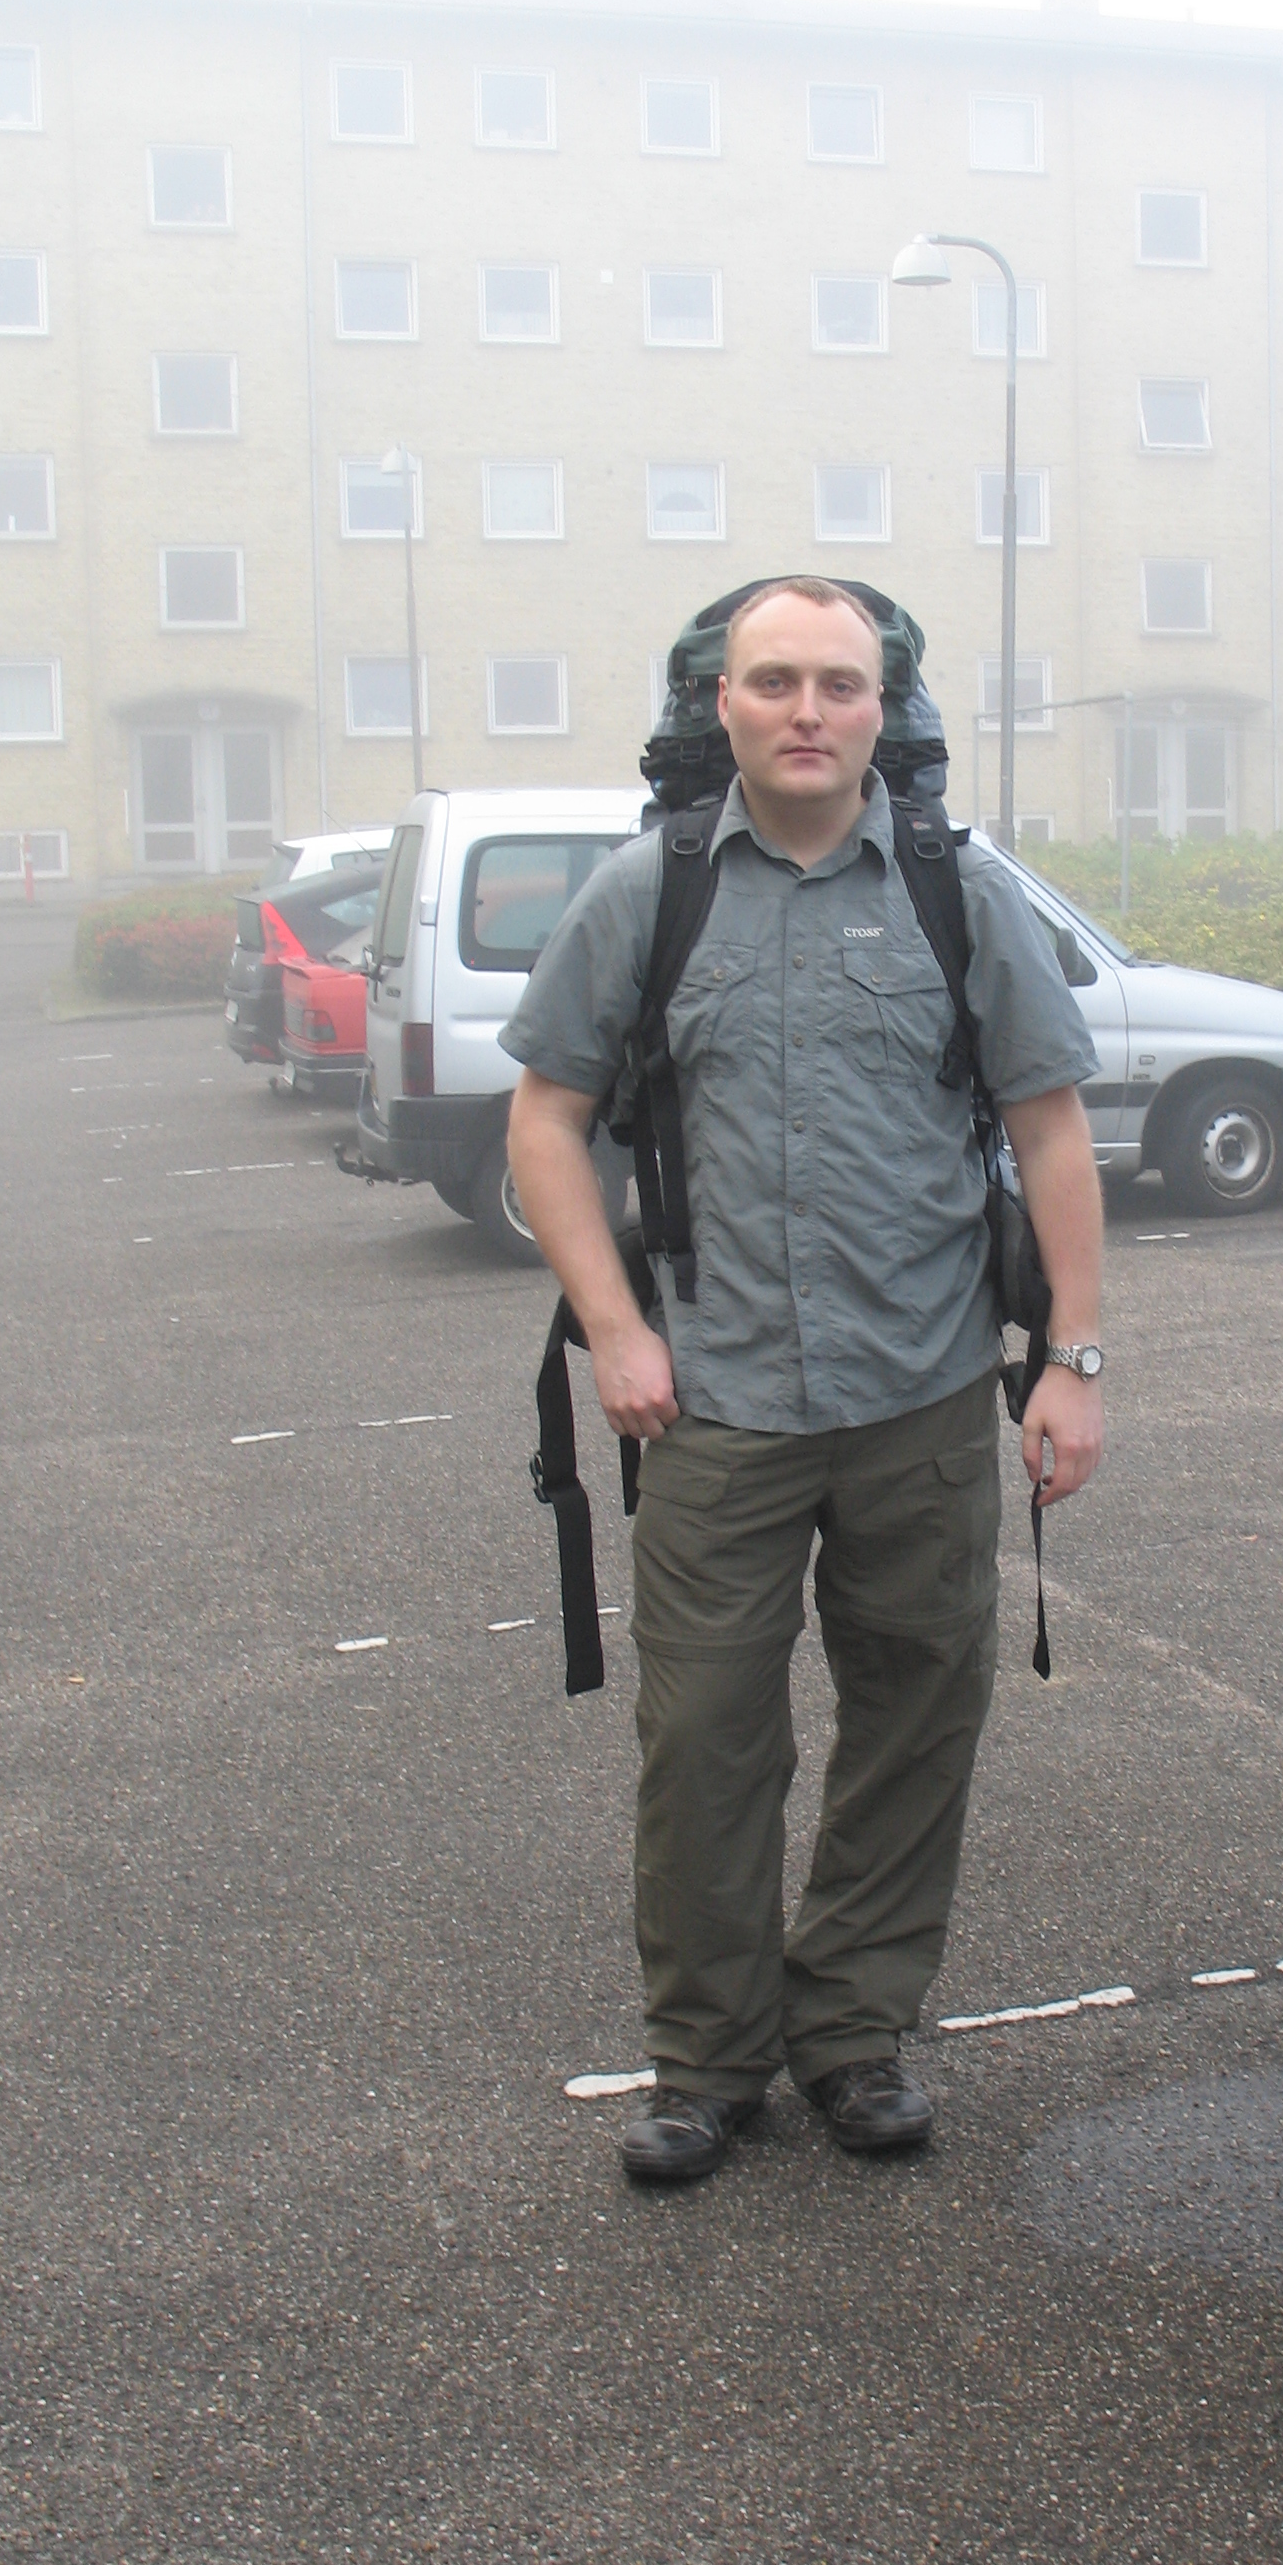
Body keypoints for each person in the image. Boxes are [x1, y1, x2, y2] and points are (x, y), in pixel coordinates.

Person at [503, 576, 1106, 2182]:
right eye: (775, 681)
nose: (807, 711)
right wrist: (617, 1327)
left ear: (880, 707)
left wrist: (1072, 1360)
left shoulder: (957, 893)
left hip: (925, 1396)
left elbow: (1050, 1129)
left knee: (917, 1719)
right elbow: (545, 1123)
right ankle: (707, 2062)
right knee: (706, 1742)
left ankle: (853, 2033)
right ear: (725, 704)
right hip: (715, 1407)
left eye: (838, 683)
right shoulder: (650, 893)